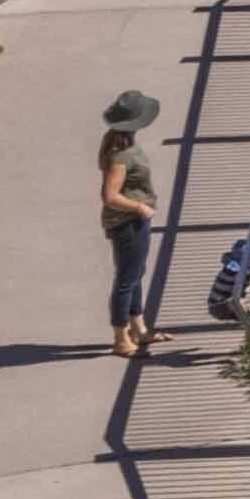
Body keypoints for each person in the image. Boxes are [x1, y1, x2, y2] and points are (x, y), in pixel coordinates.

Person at [95, 91, 166, 360]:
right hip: (128, 223)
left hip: (134, 222)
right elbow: (110, 196)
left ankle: (138, 329)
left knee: (135, 273)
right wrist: (139, 207)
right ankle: (120, 338)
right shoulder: (121, 156)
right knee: (126, 279)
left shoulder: (119, 144)